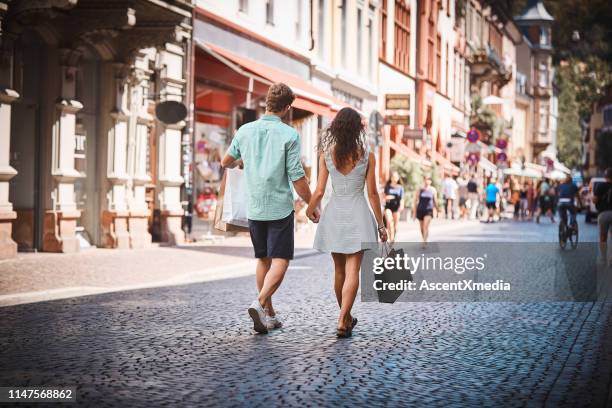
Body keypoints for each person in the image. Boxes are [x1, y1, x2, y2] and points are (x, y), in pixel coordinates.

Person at [221, 83, 316, 334]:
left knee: (263, 258)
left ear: (267, 104)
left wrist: (250, 160)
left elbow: (226, 161)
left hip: (254, 206)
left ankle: (269, 315)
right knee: (281, 260)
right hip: (279, 207)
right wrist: (311, 203)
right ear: (286, 108)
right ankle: (260, 302)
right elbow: (296, 175)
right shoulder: (289, 135)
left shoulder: (245, 130)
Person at [307, 107, 387, 338]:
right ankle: (344, 319)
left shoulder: (326, 154)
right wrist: (381, 225)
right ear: (357, 130)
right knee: (353, 270)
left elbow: (320, 191)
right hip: (359, 215)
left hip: (334, 215)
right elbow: (372, 194)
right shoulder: (366, 155)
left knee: (339, 270)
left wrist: (309, 210)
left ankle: (345, 316)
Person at [413, 176, 438, 245]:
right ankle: (424, 238)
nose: (427, 181)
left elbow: (435, 201)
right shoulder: (420, 189)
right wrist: (414, 213)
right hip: (420, 210)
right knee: (421, 228)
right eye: (426, 179)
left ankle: (424, 240)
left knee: (425, 225)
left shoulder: (433, 190)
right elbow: (415, 201)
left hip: (429, 210)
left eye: (429, 180)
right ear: (424, 180)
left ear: (431, 181)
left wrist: (437, 210)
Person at [383, 171, 404, 242]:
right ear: (391, 178)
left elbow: (402, 198)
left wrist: (402, 206)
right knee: (389, 221)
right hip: (388, 206)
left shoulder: (400, 188)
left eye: (396, 177)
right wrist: (392, 196)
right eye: (393, 177)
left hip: (396, 207)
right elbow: (385, 197)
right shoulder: (387, 187)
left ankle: (393, 238)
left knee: (395, 225)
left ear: (398, 178)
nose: (394, 178)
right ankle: (390, 238)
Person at [594, 168, 612, 245]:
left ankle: (603, 256)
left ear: (605, 176)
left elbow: (595, 200)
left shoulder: (600, 186)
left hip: (603, 213)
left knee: (603, 237)